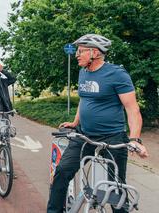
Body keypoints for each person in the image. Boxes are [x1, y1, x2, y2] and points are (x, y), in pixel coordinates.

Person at [47, 34, 149, 213]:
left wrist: (135, 139)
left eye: (80, 51)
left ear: (94, 52)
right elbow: (84, 100)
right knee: (62, 172)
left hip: (113, 137)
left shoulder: (116, 74)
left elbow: (132, 109)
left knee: (116, 186)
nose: (77, 55)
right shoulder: (83, 72)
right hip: (84, 134)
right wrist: (75, 122)